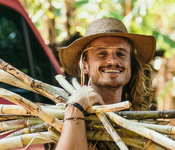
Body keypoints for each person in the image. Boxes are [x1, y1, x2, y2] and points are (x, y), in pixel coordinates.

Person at [56, 17, 156, 150]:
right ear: (84, 65)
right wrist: (75, 109)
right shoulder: (60, 120)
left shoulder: (145, 130)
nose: (113, 61)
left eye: (121, 54)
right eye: (102, 54)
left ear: (131, 65)